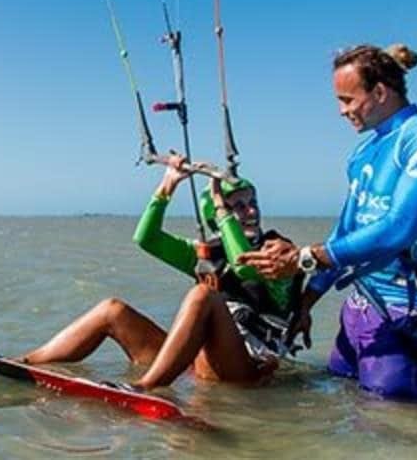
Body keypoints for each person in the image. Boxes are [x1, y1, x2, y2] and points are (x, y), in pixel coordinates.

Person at [242, 43, 417, 400]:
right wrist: (305, 304)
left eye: (347, 99)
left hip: (409, 314)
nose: (341, 111)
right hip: (360, 311)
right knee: (341, 403)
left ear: (379, 92)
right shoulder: (363, 151)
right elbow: (345, 232)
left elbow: (399, 226)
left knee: (393, 427)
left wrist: (304, 256)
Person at [19, 154, 296, 390]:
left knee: (203, 295)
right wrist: (168, 183)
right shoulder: (205, 254)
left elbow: (244, 267)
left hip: (248, 369)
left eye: (252, 203)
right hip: (199, 364)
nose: (251, 212)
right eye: (239, 206)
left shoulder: (280, 251)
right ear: (215, 216)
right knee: (111, 310)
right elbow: (146, 238)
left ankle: (146, 388)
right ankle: (26, 363)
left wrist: (222, 206)